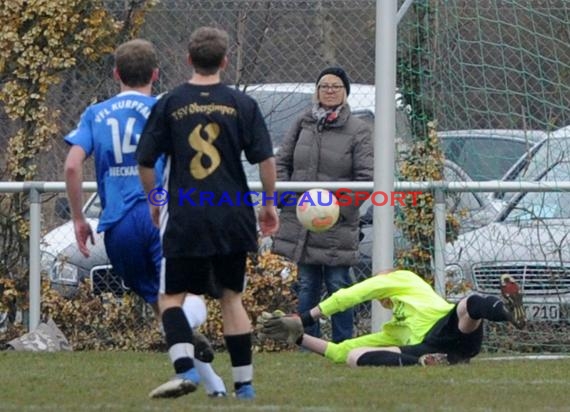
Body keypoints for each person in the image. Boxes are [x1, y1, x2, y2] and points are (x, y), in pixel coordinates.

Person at [63, 39, 227, 396]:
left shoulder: (96, 113)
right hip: (160, 213)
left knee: (163, 305)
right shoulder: (166, 109)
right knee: (184, 297)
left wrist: (78, 218)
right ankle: (193, 331)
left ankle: (214, 388)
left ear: (116, 73)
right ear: (156, 73)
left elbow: (73, 165)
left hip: (118, 224)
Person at [136, 27, 279, 399]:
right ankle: (244, 387)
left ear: (188, 59)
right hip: (231, 212)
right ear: (225, 61)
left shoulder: (169, 103)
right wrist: (268, 203)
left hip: (186, 213)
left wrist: (155, 199)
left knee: (171, 297)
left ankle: (186, 370)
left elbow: (146, 161)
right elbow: (265, 159)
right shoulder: (242, 104)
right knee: (232, 297)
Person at [272, 67, 373, 343]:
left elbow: (365, 178)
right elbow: (281, 163)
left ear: (346, 93)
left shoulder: (359, 130)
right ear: (316, 91)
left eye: (336, 86)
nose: (329, 90)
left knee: (339, 287)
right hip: (301, 225)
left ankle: (344, 344)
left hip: (336, 227)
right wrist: (289, 200)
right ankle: (308, 344)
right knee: (306, 287)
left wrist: (335, 210)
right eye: (324, 85)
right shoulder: (302, 123)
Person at [259, 270, 526, 367]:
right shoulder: (394, 329)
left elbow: (350, 295)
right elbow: (340, 352)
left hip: (446, 327)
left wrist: (305, 318)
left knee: (468, 305)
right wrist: (299, 337)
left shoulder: (404, 278)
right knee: (354, 357)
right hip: (435, 350)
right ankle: (427, 363)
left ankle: (508, 311)